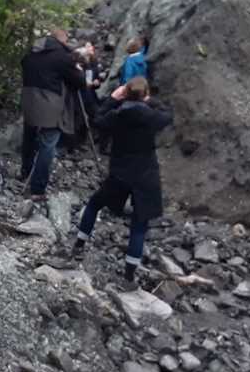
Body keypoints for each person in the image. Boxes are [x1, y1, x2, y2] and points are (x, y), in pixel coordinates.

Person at [64, 77, 173, 290]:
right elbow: (169, 115)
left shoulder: (118, 115)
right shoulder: (152, 117)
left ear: (126, 94)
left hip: (120, 173)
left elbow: (97, 118)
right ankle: (129, 277)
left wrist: (113, 99)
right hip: (145, 175)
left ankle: (78, 245)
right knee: (139, 225)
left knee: (94, 204)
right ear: (145, 95)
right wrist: (151, 101)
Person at [20, 29, 87, 200]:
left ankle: (25, 171)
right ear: (62, 40)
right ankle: (37, 188)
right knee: (48, 145)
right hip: (50, 104)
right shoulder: (62, 57)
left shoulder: (31, 51)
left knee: (29, 136)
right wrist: (78, 69)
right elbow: (79, 82)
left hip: (29, 100)